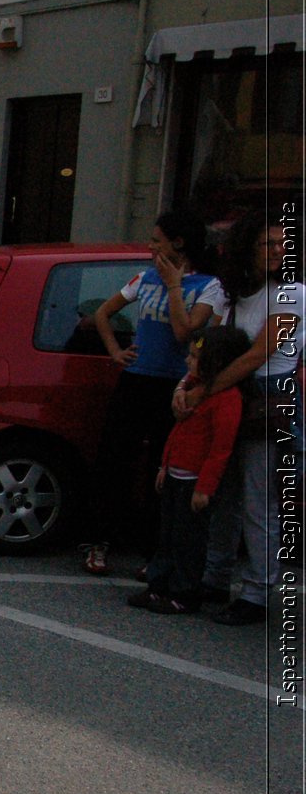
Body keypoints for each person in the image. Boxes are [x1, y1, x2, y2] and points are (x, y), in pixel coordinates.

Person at [79, 209, 225, 575]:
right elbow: (103, 313)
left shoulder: (208, 286)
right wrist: (115, 351)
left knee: (164, 469)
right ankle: (98, 541)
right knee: (114, 460)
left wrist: (174, 286)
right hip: (136, 379)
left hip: (174, 385)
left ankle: (155, 551)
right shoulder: (144, 278)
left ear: (179, 243)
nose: (150, 246)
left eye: (156, 240)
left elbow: (185, 333)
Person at [178, 208, 301, 625]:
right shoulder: (231, 294)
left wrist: (201, 392)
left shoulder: (292, 294)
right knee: (224, 495)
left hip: (268, 401)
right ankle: (216, 577)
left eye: (284, 243)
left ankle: (257, 592)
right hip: (231, 394)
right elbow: (207, 348)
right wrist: (187, 385)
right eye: (268, 243)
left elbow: (257, 354)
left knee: (256, 500)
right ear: (247, 248)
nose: (278, 250)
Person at [129, 327, 249, 614]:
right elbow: (178, 433)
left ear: (216, 363)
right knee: (167, 536)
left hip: (194, 482)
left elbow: (221, 448)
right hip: (176, 476)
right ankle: (159, 587)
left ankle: (185, 593)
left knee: (189, 542)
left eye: (195, 357)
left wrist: (205, 488)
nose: (188, 361)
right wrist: (165, 466)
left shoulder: (226, 399)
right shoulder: (193, 390)